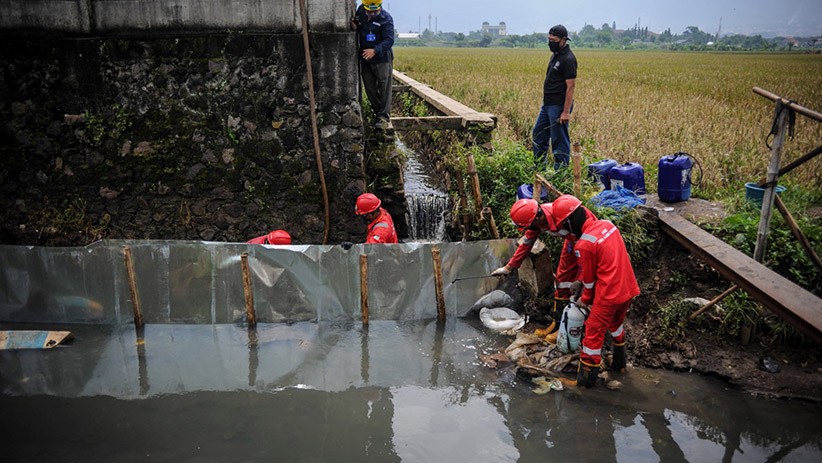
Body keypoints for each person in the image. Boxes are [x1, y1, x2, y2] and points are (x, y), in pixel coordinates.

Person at [548, 194, 640, 387]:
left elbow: (590, 282)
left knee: (592, 332)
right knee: (616, 323)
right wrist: (579, 281)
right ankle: (620, 364)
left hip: (609, 294)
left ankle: (585, 382)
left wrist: (586, 297)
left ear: (569, 222)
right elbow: (602, 261)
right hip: (628, 287)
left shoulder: (583, 245)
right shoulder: (607, 225)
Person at [491, 198, 595, 329]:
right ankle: (558, 323)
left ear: (537, 219)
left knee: (586, 278)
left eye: (529, 226)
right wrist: (508, 268)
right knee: (562, 279)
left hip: (587, 243)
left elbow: (589, 254)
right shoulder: (537, 220)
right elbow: (526, 244)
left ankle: (581, 320)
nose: (529, 229)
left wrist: (580, 279)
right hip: (571, 240)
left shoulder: (564, 216)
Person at [532, 24, 576, 170]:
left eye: (554, 40)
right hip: (547, 105)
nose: (550, 42)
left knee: (559, 141)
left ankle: (561, 175)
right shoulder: (555, 55)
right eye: (549, 39)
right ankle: (539, 170)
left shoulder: (568, 59)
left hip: (559, 106)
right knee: (538, 134)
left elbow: (570, 87)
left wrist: (565, 112)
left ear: (563, 40)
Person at [351, 0, 395, 131]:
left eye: (376, 11)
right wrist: (355, 25)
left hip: (382, 60)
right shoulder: (360, 11)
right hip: (365, 60)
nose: (373, 13)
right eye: (370, 11)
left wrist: (375, 50)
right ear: (365, 8)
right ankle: (378, 112)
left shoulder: (386, 19)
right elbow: (357, 24)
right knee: (370, 89)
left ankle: (384, 117)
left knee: (385, 88)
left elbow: (389, 40)